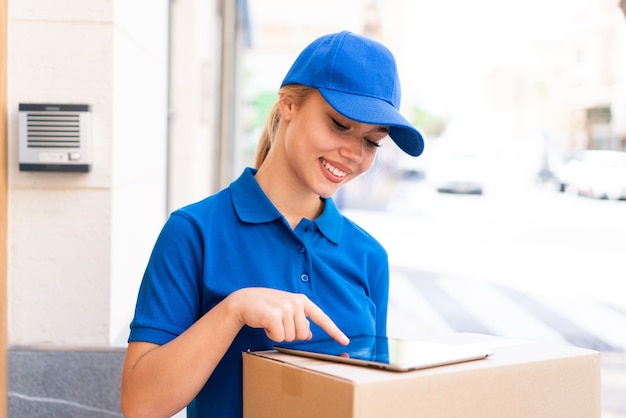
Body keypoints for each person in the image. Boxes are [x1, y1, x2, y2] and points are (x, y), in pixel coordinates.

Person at [121, 30, 424, 418]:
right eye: (339, 124)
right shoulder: (194, 232)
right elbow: (140, 404)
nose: (354, 153)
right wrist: (233, 311)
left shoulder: (369, 257)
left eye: (372, 141)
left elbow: (372, 397)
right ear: (288, 105)